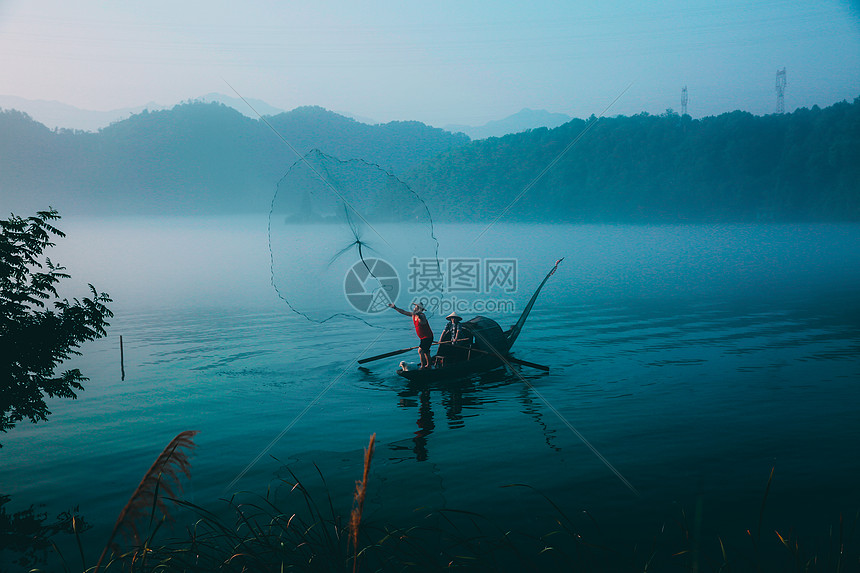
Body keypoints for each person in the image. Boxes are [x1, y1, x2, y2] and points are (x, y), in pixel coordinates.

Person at [389, 302, 434, 369]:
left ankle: (423, 366)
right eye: (415, 307)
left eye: (415, 307)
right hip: (423, 338)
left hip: (427, 337)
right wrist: (395, 308)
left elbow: (421, 317)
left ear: (418, 309)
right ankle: (428, 365)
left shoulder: (422, 315)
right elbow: (403, 312)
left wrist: (418, 313)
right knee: (426, 352)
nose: (414, 308)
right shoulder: (413, 315)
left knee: (420, 351)